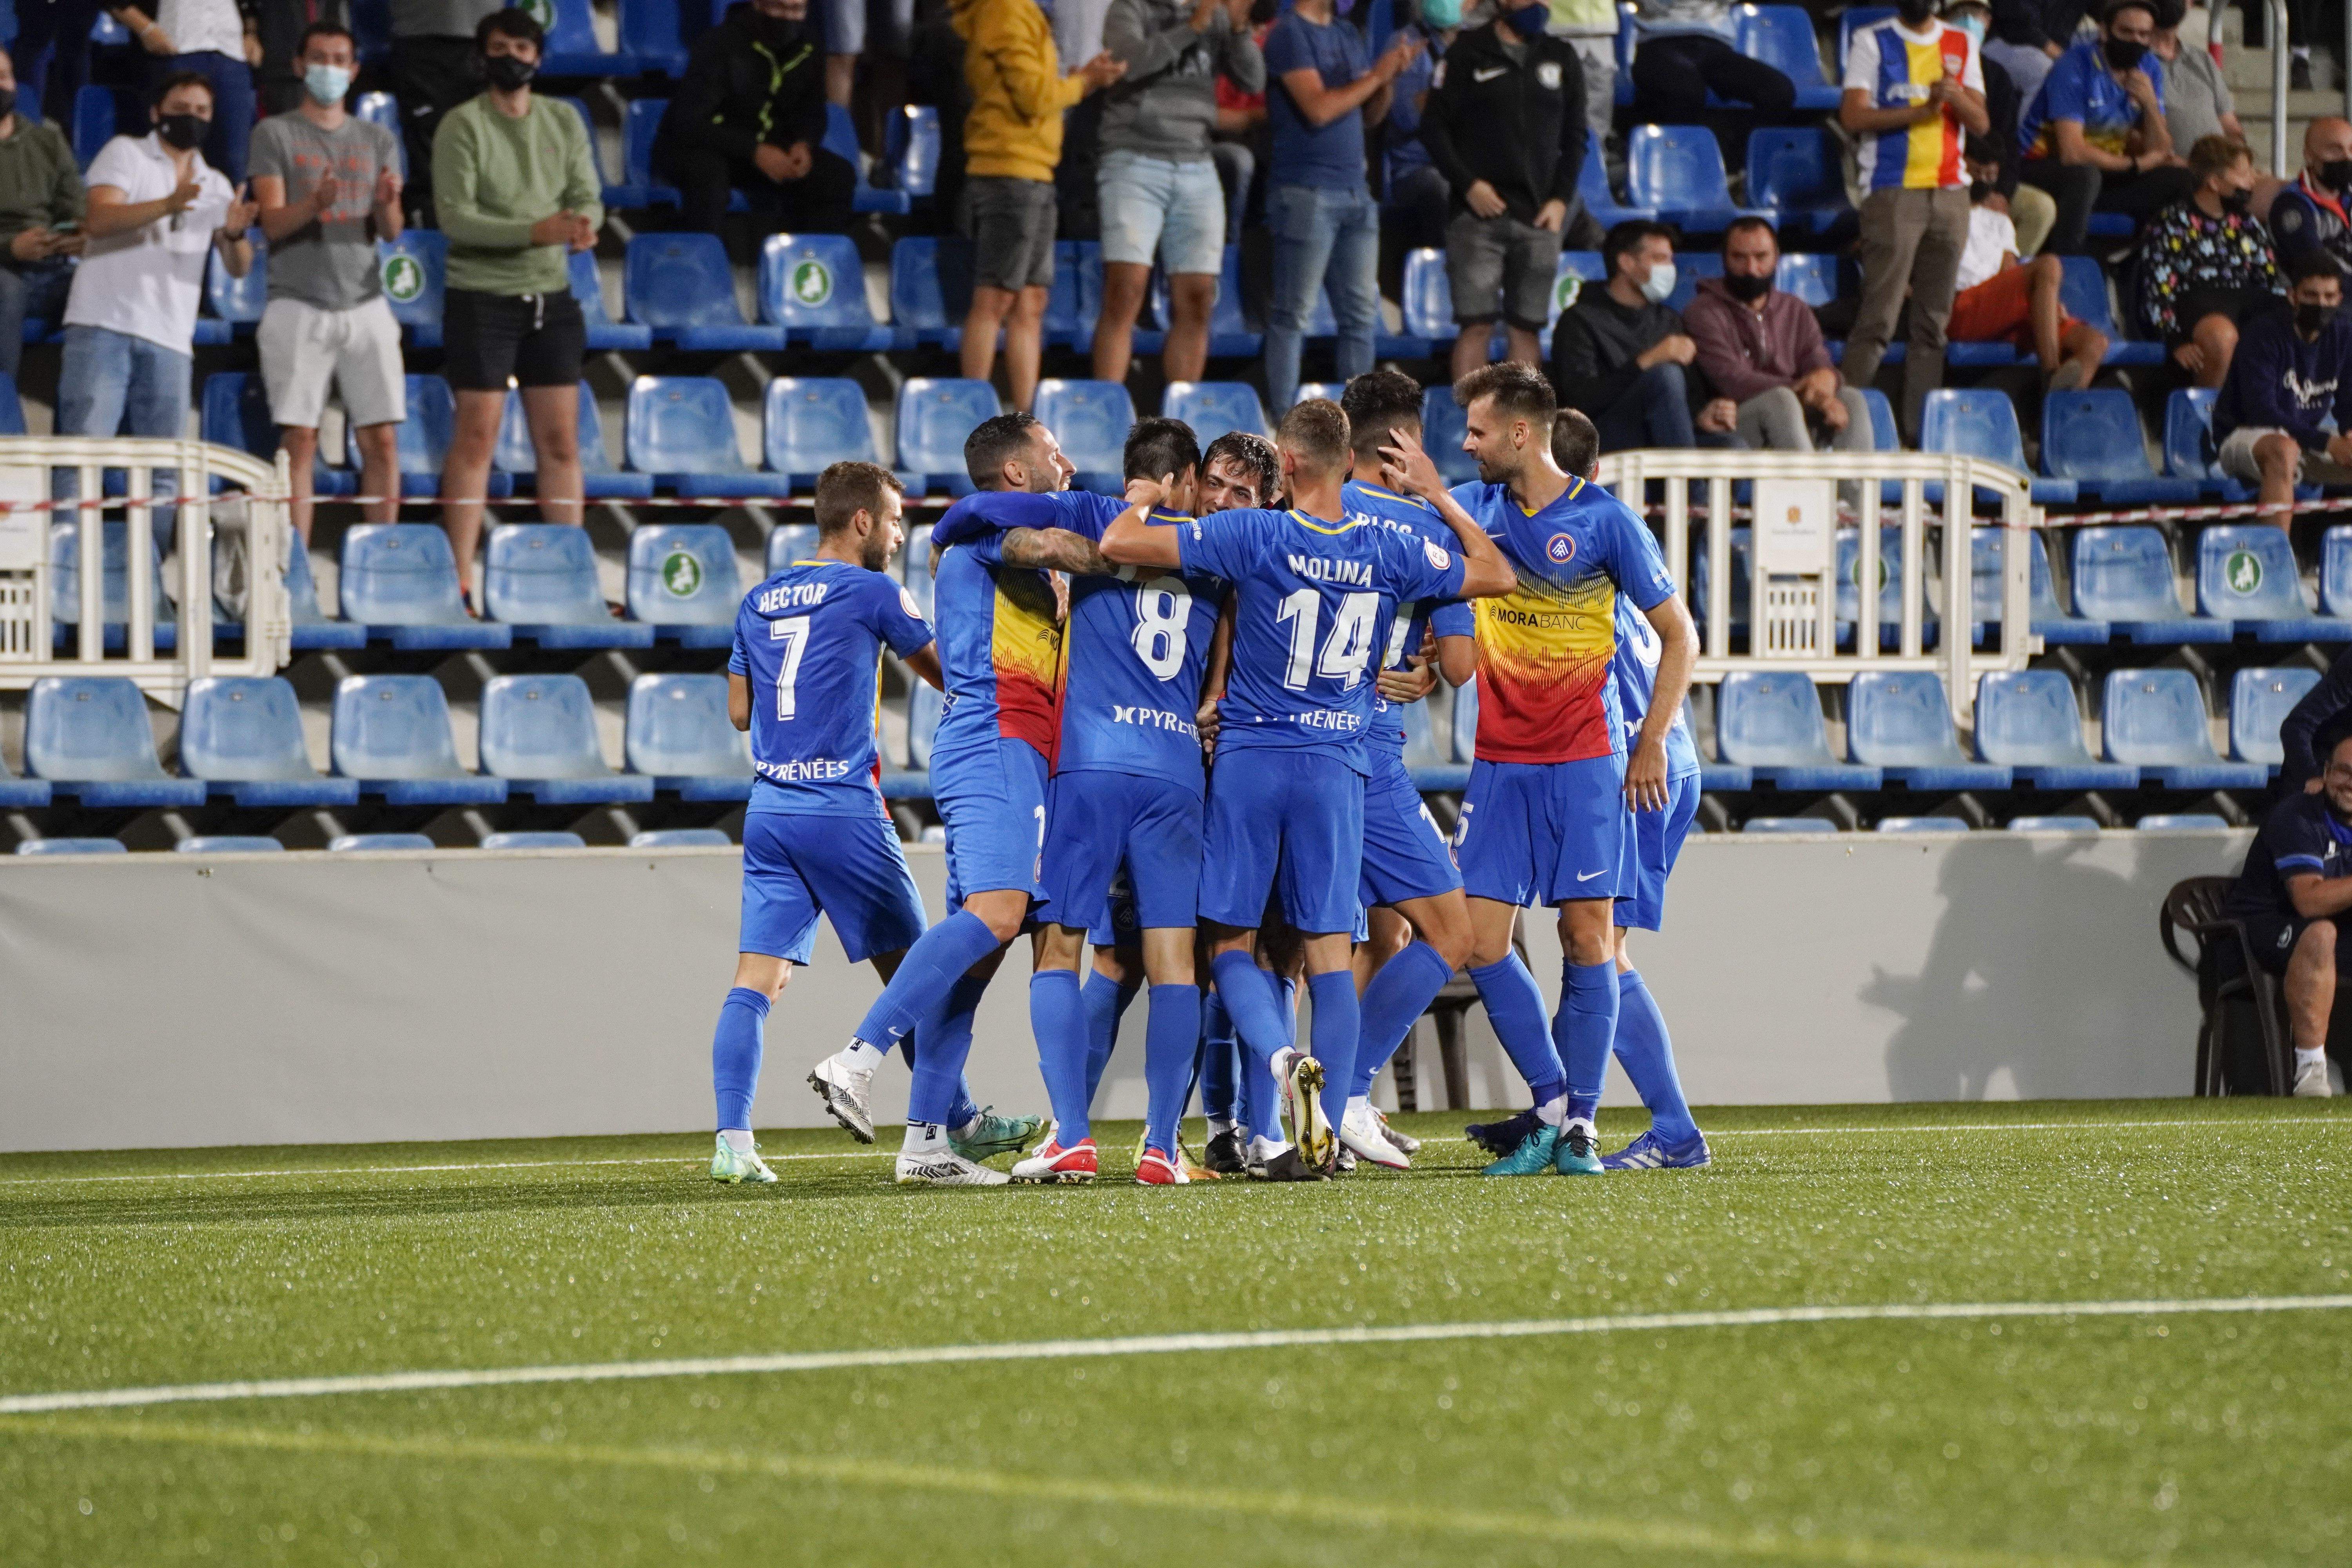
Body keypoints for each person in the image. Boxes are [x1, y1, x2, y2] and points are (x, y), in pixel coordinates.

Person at [1098, 398, 1514, 1176]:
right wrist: (1440, 495)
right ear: (1347, 461)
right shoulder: (1390, 545)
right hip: (1336, 766)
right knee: (1327, 949)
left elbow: (1120, 542)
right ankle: (1334, 1107)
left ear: (1285, 465)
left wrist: (1145, 495)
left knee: (1230, 943)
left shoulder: (1255, 534)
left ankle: (1282, 1060)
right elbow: (1498, 573)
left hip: (1252, 760)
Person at [928, 418, 1228, 1186]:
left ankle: (1072, 1134)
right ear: (1186, 480)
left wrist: (947, 530)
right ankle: (1162, 1146)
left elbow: (986, 514)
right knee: (1176, 965)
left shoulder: (1094, 515)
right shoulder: (1215, 546)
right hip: (1174, 769)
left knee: (1059, 949)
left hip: (1089, 765)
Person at [813, 412, 1091, 1187]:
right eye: (1054, 453)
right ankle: (858, 1056)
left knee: (977, 960)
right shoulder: (991, 538)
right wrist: (1167, 542)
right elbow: (1064, 544)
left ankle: (926, 1144)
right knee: (1000, 914)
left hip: (1007, 748)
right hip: (999, 739)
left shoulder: (983, 545)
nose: (1069, 464)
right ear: (1016, 473)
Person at [1443, 362, 1698, 1179]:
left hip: (1599, 763)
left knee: (1592, 939)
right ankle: (1556, 1104)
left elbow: (1680, 635)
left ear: (1522, 433)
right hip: (1502, 764)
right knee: (1481, 939)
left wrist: (1651, 742)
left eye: (1479, 430)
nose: (1466, 443)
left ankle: (1588, 1121)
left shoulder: (1606, 523)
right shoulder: (1472, 508)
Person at [707, 462, 953, 1183]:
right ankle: (957, 1123)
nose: (900, 535)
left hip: (771, 810)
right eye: (896, 520)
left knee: (757, 982)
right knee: (919, 972)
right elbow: (947, 675)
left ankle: (733, 1142)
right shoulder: (874, 591)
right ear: (863, 521)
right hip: (842, 807)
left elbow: (740, 713)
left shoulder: (759, 598)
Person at [1326, 368, 1480, 1171]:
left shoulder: (1306, 511)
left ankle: (1263, 1116)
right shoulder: (1426, 527)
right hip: (1366, 749)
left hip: (1276, 745)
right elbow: (1460, 665)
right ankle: (1343, 1095)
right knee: (1451, 931)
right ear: (1405, 445)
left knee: (1367, 932)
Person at [431, 7, 601, 604]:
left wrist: (586, 224)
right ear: (483, 57)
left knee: (561, 444)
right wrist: (536, 232)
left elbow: (587, 194)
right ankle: (458, 582)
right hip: (482, 297)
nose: (512, 58)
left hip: (552, 297)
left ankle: (571, 580)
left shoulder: (563, 118)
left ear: (538, 57)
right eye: (500, 47)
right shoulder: (462, 124)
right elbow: (455, 218)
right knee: (476, 439)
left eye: (523, 49)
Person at [249, 22, 405, 544]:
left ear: (355, 70)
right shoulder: (274, 134)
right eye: (319, 58)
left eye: (340, 60)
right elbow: (272, 224)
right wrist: (314, 204)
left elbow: (392, 230)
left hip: (367, 301)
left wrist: (384, 204)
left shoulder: (378, 139)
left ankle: (383, 556)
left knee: (382, 440)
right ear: (299, 65)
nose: (329, 68)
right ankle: (293, 564)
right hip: (297, 302)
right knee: (300, 440)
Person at [59, 71, 254, 489]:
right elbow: (99, 219)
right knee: (82, 457)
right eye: (181, 109)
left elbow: (239, 267)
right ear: (156, 113)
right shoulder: (125, 153)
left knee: (164, 472)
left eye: (202, 111)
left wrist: (237, 235)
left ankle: (155, 539)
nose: (192, 118)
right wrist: (168, 204)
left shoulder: (217, 184)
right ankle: (66, 536)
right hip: (103, 323)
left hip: (171, 337)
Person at [951, 0, 1123, 414]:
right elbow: (1034, 98)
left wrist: (1081, 79)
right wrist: (1085, 82)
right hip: (1007, 170)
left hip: (1036, 171)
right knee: (994, 298)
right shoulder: (1004, 10)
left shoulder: (1023, 11)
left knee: (1031, 302)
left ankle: (1025, 420)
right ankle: (975, 416)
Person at [1259, 0, 1421, 414]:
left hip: (1356, 193)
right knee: (1293, 315)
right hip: (1305, 191)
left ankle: (1357, 428)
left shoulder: (1348, 33)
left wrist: (1387, 82)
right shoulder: (1289, 34)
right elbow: (1318, 109)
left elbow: (1370, 116)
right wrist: (1377, 75)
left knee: (1361, 318)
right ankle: (1283, 424)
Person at [1090, 0, 1263, 388]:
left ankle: (1180, 414)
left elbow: (1253, 81)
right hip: (1133, 159)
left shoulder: (1215, 13)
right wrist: (1193, 28)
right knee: (1125, 292)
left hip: (1197, 163)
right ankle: (1109, 406)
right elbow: (1128, 63)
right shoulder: (1130, 8)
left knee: (1199, 300)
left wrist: (1238, 30)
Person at [1839, 0, 1989, 441]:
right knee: (1879, 319)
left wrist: (1954, 97)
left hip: (1951, 193)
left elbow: (1981, 123)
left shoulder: (1962, 42)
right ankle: (1843, 427)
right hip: (1892, 191)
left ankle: (1921, 435)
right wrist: (1920, 111)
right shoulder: (1872, 40)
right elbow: (1853, 116)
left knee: (1933, 324)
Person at [1417, 0, 1585, 384]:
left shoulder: (1560, 55)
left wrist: (1561, 199)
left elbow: (1576, 137)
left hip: (1540, 216)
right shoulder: (1467, 51)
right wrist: (1468, 185)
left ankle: (1519, 419)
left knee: (1526, 328)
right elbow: (1434, 128)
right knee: (1475, 326)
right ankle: (1470, 418)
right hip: (1476, 217)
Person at [655, 0, 856, 245]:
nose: (788, 18)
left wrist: (803, 144)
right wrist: (754, 151)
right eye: (780, 8)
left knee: (836, 176)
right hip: (708, 148)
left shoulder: (809, 46)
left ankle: (810, 260)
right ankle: (702, 261)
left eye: (797, 10)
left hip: (770, 150)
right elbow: (690, 123)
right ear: (758, 4)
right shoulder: (721, 44)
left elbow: (812, 111)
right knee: (709, 179)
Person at [2221, 730, 2352, 1098]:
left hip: (2331, 929)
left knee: (2325, 932)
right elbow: (2308, 902)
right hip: (2260, 930)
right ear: (2326, 773)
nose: (2350, 783)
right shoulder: (2298, 815)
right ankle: (2311, 1071)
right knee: (2321, 933)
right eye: (2344, 771)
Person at [2018, 0, 2195, 255]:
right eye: (2126, 32)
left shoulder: (2149, 67)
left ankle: (2145, 265)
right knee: (2085, 176)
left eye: (2144, 35)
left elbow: (2160, 150)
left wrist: (2150, 105)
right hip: (2043, 165)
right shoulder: (2074, 65)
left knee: (2180, 179)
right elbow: (2072, 153)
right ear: (2104, 31)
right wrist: (2134, 165)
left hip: (2104, 171)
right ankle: (2069, 262)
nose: (2135, 41)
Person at [1684, 217, 1875, 454]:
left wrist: (1828, 377)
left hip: (1796, 414)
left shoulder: (1796, 309)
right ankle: (1806, 480)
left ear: (1776, 258)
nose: (1751, 269)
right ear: (1724, 259)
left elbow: (1818, 363)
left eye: (1761, 257)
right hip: (1733, 419)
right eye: (1739, 258)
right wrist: (1805, 391)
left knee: (1851, 399)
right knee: (1780, 401)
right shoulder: (1703, 311)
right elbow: (1733, 381)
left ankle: (1854, 481)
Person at [1550, 220, 1739, 452]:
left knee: (1733, 447)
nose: (1669, 269)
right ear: (1626, 263)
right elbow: (1582, 402)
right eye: (1659, 259)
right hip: (1601, 438)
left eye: (1670, 260)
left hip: (1663, 436)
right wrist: (1649, 360)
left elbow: (1685, 399)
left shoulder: (1668, 320)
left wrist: (1702, 415)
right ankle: (1684, 476)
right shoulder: (1579, 321)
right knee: (1666, 376)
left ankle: (1684, 471)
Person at [2211, 251, 2352, 526]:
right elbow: (2262, 413)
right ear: (2292, 296)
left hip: (2304, 438)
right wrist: (2328, 443)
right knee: (2283, 450)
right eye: (2311, 295)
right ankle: (2273, 552)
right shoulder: (2263, 334)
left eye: (2329, 297)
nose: (2321, 304)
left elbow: (2348, 404)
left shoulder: (2344, 335)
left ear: (2340, 299)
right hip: (2244, 435)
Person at [2134, 134, 2281, 390]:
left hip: (2243, 300)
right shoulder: (2171, 222)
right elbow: (2158, 287)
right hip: (2196, 302)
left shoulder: (2247, 223)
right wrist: (2174, 339)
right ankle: (2212, 414)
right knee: (2221, 338)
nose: (2252, 182)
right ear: (2214, 182)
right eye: (2244, 175)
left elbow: (2268, 278)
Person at [1945, 157, 2109, 382]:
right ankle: (2050, 372)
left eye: (1990, 172)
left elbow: (2008, 274)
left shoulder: (2000, 221)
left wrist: (2049, 306)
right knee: (2048, 265)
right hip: (1960, 306)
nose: (1985, 175)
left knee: (2094, 344)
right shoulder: (1943, 212)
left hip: (1996, 310)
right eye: (1979, 169)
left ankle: (2057, 400)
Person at [1942, 0, 2059, 258]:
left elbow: (2009, 144)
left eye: (1978, 15)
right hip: (1941, 178)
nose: (1970, 22)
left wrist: (2001, 193)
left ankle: (2006, 274)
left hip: (1986, 180)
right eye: (1961, 14)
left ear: (1989, 22)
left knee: (2040, 208)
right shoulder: (1927, 66)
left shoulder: (1996, 76)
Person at [0, 44, 87, 385]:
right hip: (4, 271)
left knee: (109, 281)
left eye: (4, 77)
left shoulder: (46, 139)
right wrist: (11, 248)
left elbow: (75, 207)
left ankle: (86, 413)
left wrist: (75, 235)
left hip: (50, 267)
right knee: (5, 289)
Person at [113, 0, 258, 183]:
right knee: (170, 147)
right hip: (174, 49)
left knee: (234, 158)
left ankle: (230, 201)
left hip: (232, 54)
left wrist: (251, 32)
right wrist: (145, 29)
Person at [389, 0, 502, 222]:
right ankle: (428, 224)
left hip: (486, 39)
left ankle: (488, 226)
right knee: (428, 153)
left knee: (486, 144)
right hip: (419, 37)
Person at [1624, 0, 1795, 133]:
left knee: (1778, 90)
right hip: (1658, 40)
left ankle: (1735, 160)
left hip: (1715, 43)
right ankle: (1675, 158)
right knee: (1685, 91)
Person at [1377, 0, 1452, 258]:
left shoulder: (1478, 44)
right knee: (1440, 186)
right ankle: (1440, 275)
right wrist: (1452, 96)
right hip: (1414, 170)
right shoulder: (1406, 43)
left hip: (1462, 164)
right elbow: (1406, 118)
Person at [2264, 116, 2352, 283]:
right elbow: (2316, 270)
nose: (2347, 157)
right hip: (2320, 295)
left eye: (2351, 149)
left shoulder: (2348, 194)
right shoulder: (2291, 206)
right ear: (2309, 156)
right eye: (2336, 150)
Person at [2148, 0, 2237, 151]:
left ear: (2191, 3)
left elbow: (2230, 127)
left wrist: (2240, 160)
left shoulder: (2203, 60)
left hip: (2220, 162)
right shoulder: (2134, 61)